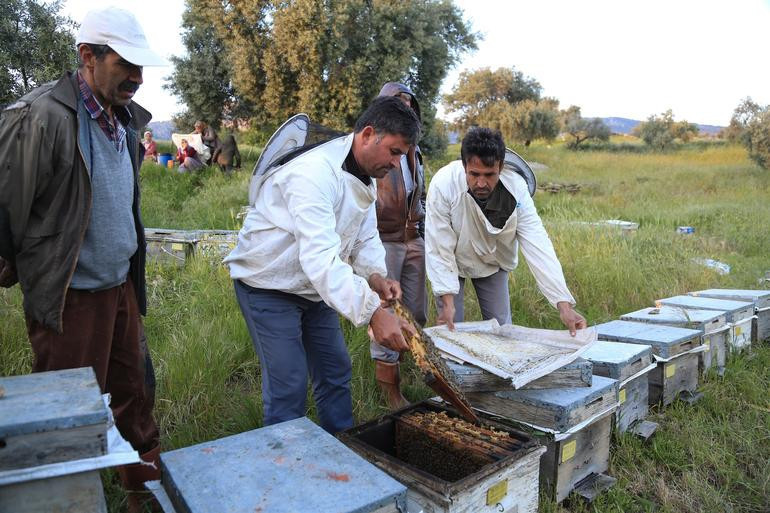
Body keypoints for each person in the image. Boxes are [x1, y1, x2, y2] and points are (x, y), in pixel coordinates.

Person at [0, 7, 166, 512]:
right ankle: (66, 502)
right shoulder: (41, 117)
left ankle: (144, 497)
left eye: (140, 66)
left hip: (120, 287)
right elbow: (6, 206)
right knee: (66, 415)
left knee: (134, 396)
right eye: (125, 64)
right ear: (88, 56)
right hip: (69, 295)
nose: (137, 78)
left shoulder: (125, 120)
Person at [224, 96, 421, 434]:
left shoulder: (365, 174)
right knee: (289, 382)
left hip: (314, 288)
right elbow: (320, 258)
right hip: (268, 285)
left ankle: (342, 447)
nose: (396, 163)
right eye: (394, 151)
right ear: (368, 134)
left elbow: (364, 234)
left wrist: (376, 276)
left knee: (334, 371)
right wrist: (373, 313)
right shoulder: (313, 172)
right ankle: (287, 458)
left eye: (402, 155)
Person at [426, 127, 587, 335]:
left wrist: (563, 305)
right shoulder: (444, 184)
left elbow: (537, 243)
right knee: (450, 328)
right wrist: (447, 302)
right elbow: (439, 245)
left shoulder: (516, 189)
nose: (481, 183)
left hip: (493, 260)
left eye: (489, 175)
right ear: (464, 166)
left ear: (500, 167)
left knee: (503, 330)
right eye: (474, 174)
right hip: (452, 259)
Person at [370, 82, 427, 409]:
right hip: (384, 237)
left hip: (412, 236)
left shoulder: (414, 150)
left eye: (409, 103)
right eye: (398, 102)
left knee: (416, 311)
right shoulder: (377, 145)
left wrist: (420, 228)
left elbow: (418, 193)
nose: (405, 108)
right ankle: (390, 393)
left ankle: (407, 368)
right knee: (387, 309)